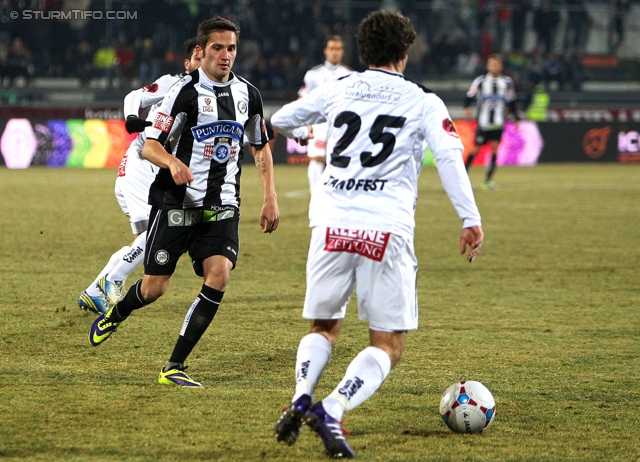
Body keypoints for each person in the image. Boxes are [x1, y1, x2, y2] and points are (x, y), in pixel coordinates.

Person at [271, 10, 483, 459]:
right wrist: (469, 217)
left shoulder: (336, 89)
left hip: (329, 220)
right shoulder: (422, 100)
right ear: (405, 54)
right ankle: (333, 406)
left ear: (362, 51)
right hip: (384, 226)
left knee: (324, 326)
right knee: (387, 342)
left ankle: (300, 395)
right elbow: (448, 157)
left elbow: (283, 120)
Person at [87, 17, 280, 388]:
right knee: (155, 287)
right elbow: (151, 144)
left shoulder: (248, 94)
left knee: (219, 275)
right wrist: (173, 162)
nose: (226, 56)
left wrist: (270, 196)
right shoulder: (183, 92)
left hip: (222, 203)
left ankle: (174, 365)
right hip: (176, 203)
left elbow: (260, 146)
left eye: (232, 48)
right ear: (201, 51)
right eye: (218, 48)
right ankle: (118, 313)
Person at [78, 38, 202, 315]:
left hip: (153, 169)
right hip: (142, 164)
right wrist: (132, 116)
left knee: (146, 239)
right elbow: (135, 96)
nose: (201, 65)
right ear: (188, 63)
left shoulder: (212, 95)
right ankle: (110, 281)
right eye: (197, 59)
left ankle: (96, 290)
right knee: (156, 233)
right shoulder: (176, 83)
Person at [296, 36, 350, 193]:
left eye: (338, 49)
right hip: (319, 123)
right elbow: (302, 98)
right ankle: (316, 197)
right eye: (332, 48)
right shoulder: (314, 74)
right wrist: (303, 123)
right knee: (317, 158)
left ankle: (337, 196)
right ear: (326, 51)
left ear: (342, 52)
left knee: (340, 161)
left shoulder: (349, 75)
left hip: (341, 124)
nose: (335, 52)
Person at [464, 53, 520, 190]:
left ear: (501, 66)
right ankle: (462, 179)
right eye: (491, 64)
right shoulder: (481, 81)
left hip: (498, 122)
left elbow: (512, 101)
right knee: (475, 149)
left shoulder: (507, 82)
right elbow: (469, 95)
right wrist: (467, 107)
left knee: (495, 149)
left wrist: (516, 118)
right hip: (483, 122)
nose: (494, 67)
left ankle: (488, 180)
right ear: (488, 66)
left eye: (496, 64)